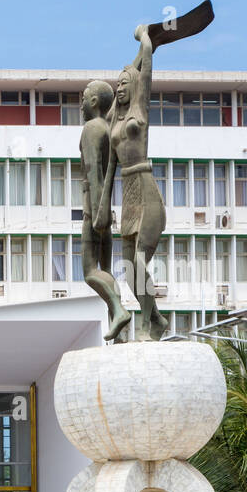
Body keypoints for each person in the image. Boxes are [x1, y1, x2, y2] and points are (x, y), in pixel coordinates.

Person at [108, 24, 169, 341]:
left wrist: (145, 37)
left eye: (124, 84)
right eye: (116, 84)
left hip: (146, 191)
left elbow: (143, 67)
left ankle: (146, 324)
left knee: (140, 261)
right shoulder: (114, 120)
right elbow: (132, 70)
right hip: (127, 196)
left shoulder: (138, 111)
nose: (119, 88)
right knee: (129, 267)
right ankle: (157, 318)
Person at [79, 79, 130, 342]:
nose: (81, 103)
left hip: (94, 207)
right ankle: (118, 329)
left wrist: (95, 211)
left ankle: (119, 309)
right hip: (107, 208)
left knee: (90, 271)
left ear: (95, 102)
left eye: (84, 97)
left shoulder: (90, 128)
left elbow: (93, 172)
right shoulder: (108, 129)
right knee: (106, 271)